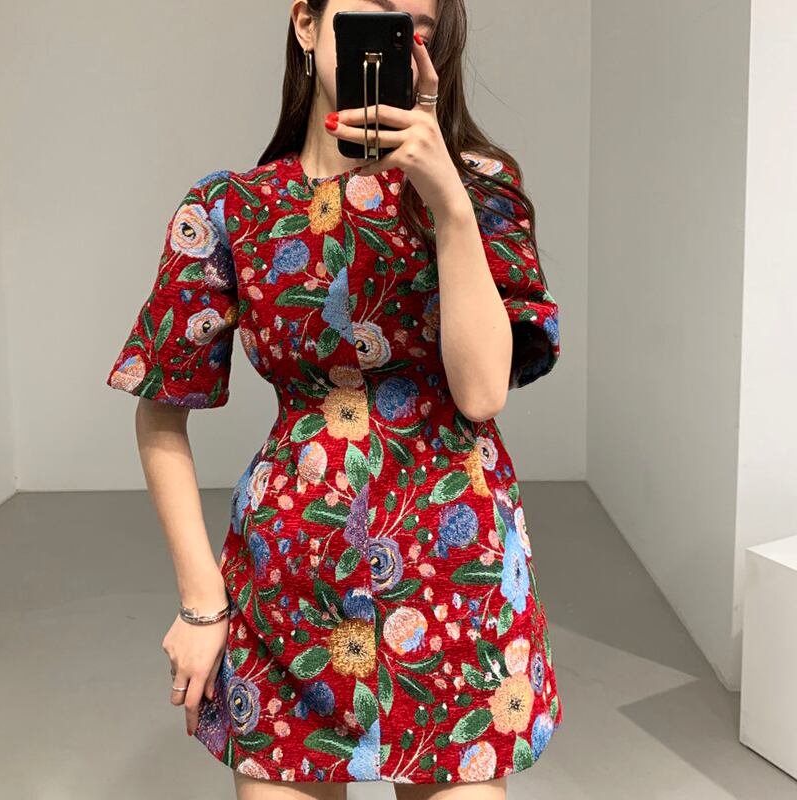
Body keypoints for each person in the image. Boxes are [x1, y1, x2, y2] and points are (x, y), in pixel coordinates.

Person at [105, 0, 562, 796]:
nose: (394, 41)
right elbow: (160, 405)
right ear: (308, 24)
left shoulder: (480, 190)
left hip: (456, 580)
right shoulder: (230, 210)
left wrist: (447, 203)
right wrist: (202, 602)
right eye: (373, 13)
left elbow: (482, 391)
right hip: (289, 583)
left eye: (416, 26)